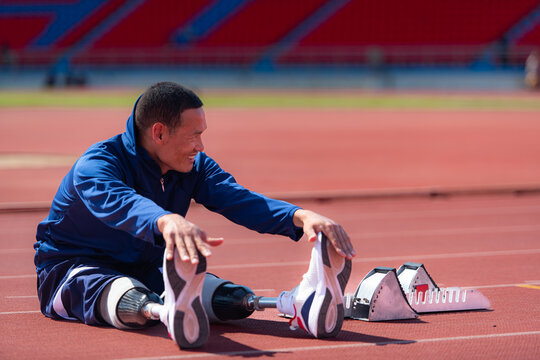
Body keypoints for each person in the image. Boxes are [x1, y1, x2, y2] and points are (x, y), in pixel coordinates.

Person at [34, 82, 355, 349]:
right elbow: (119, 203)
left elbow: (238, 199)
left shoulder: (192, 166)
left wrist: (300, 216)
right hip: (72, 269)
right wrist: (165, 220)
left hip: (150, 269)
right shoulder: (97, 165)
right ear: (159, 133)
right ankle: (164, 309)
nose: (201, 146)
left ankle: (296, 304)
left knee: (227, 298)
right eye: (193, 135)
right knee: (123, 292)